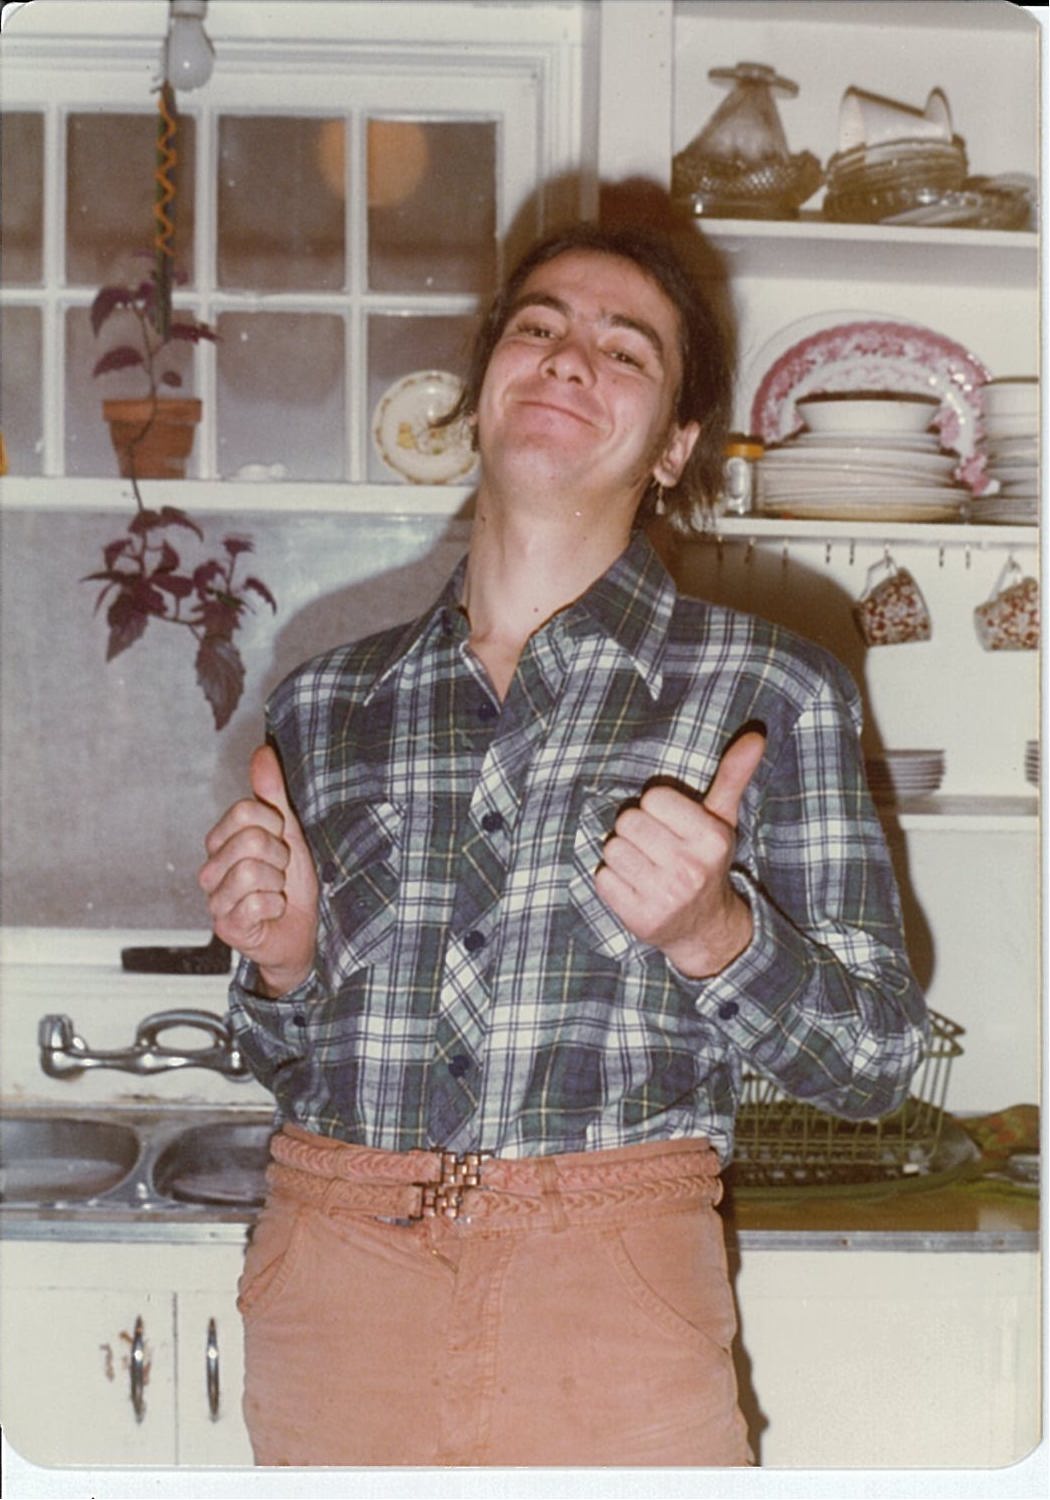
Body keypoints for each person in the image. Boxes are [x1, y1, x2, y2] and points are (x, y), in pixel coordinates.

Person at [198, 221, 929, 1468]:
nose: (567, 357)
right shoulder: (325, 700)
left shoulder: (772, 687)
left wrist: (715, 934)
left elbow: (874, 1062)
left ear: (677, 446)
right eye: (536, 328)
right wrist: (282, 961)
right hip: (334, 1286)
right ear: (479, 397)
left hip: (614, 1290)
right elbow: (280, 1056)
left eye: (624, 349)